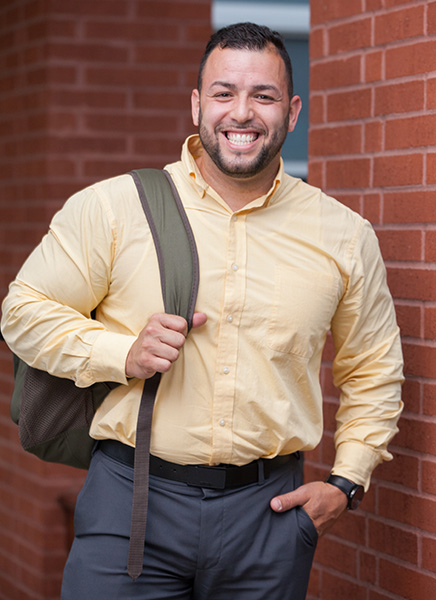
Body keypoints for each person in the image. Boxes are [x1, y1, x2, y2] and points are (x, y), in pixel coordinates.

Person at [1, 22, 403, 600]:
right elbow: (23, 311)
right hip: (131, 500)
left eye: (262, 96)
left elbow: (373, 368)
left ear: (292, 112)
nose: (242, 112)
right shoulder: (114, 208)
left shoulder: (342, 234)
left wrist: (347, 481)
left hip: (268, 515)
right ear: (196, 106)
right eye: (223, 93)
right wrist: (121, 352)